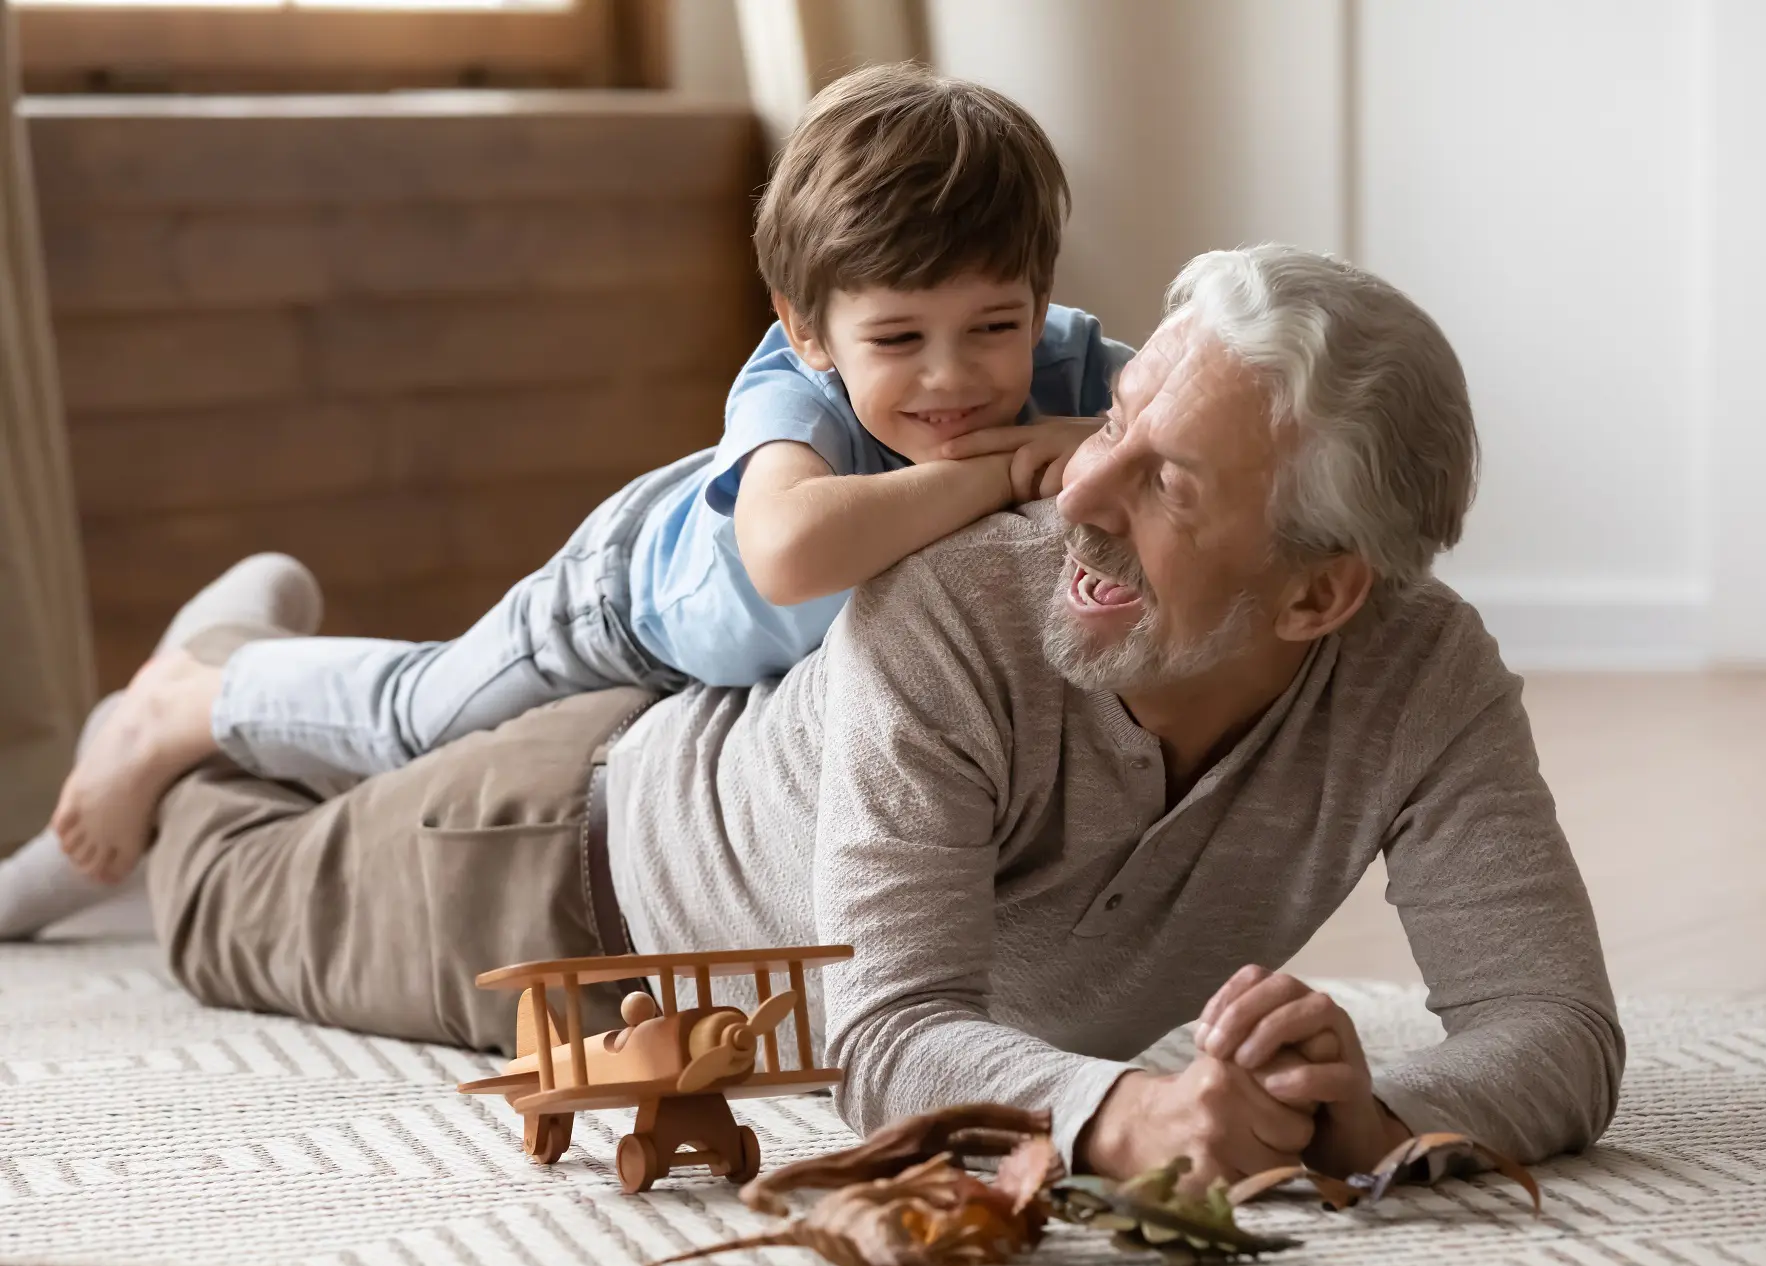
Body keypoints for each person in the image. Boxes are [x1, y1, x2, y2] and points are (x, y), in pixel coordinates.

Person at [28, 245, 1625, 1184]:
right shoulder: (953, 610)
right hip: (563, 865)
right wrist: (1129, 1115)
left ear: (1322, 596)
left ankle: (229, 677)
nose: (1080, 484)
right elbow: (888, 1032)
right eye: (1116, 421)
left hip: (719, 815)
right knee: (214, 895)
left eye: (1169, 483)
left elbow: (1557, 1027)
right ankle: (198, 681)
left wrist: (1367, 1116)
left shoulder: (1426, 678)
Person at [43, 61, 1129, 887]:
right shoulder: (792, 389)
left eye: (995, 326)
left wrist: (1093, 431)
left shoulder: (1065, 362)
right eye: (897, 339)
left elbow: (1194, 430)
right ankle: (184, 699)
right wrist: (1004, 472)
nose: (953, 376)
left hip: (732, 668)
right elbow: (789, 554)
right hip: (619, 604)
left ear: (1039, 300)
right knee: (419, 720)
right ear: (807, 328)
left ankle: (220, 666)